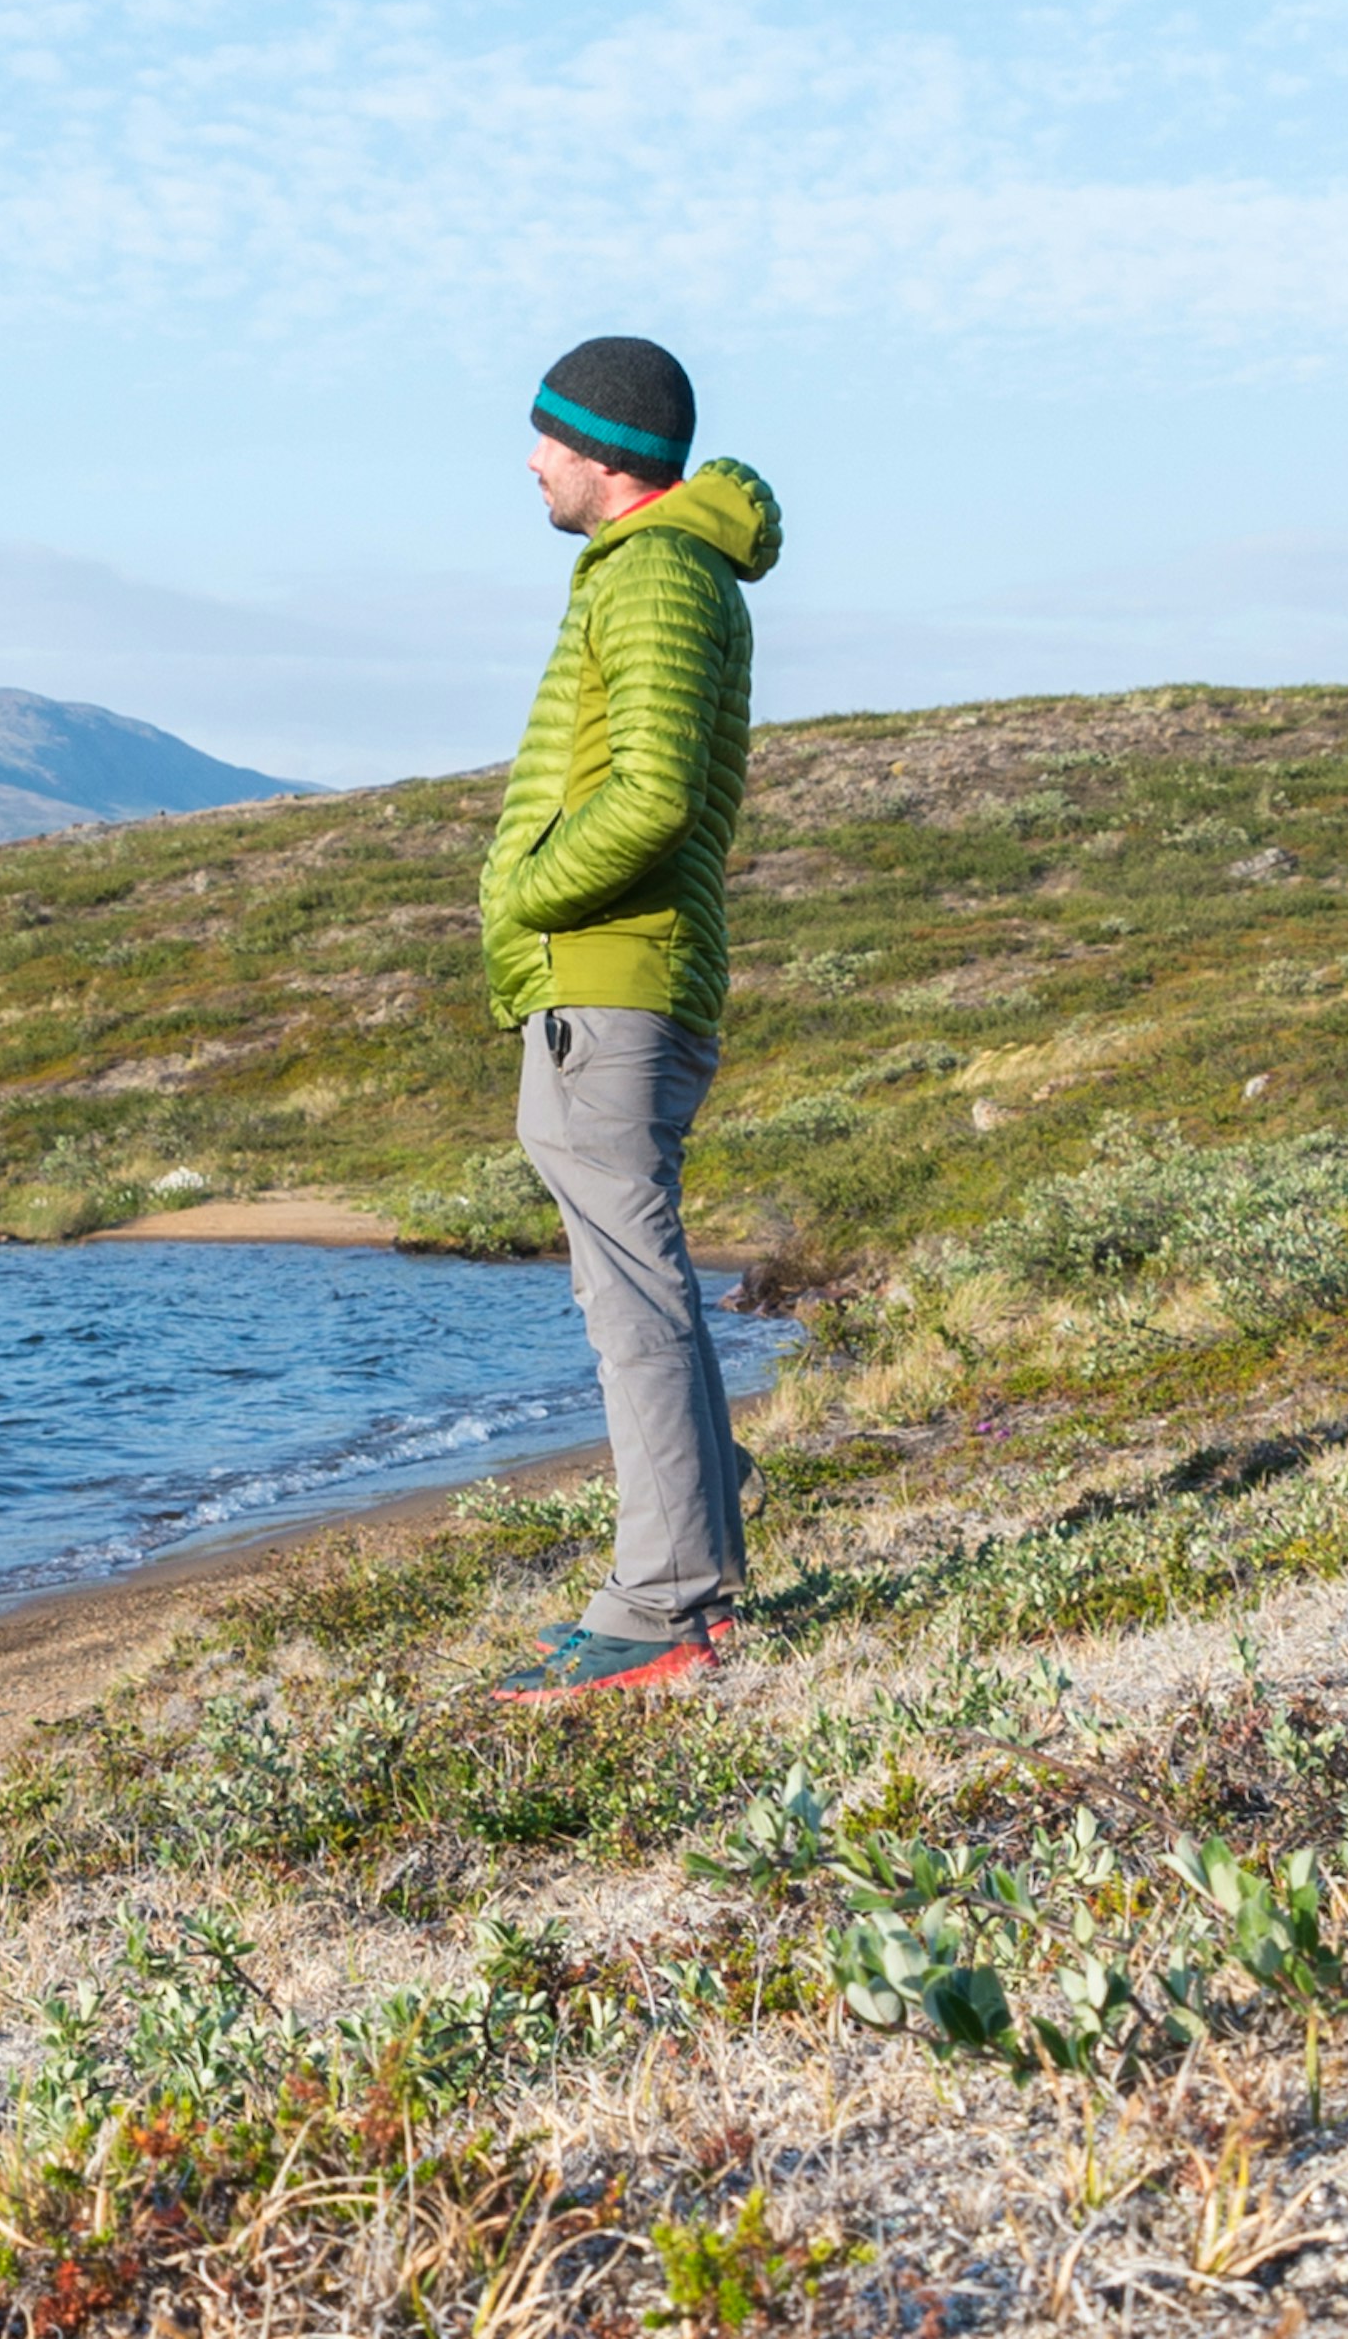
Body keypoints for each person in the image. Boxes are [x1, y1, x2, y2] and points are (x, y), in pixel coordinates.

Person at [476, 336, 780, 1701]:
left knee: (631, 1301)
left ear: (605, 456)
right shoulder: (662, 573)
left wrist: (530, 889)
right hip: (615, 981)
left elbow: (651, 795)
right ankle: (686, 1541)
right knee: (636, 1287)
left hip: (608, 978)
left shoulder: (656, 575)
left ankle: (667, 1601)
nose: (530, 460)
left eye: (547, 438)